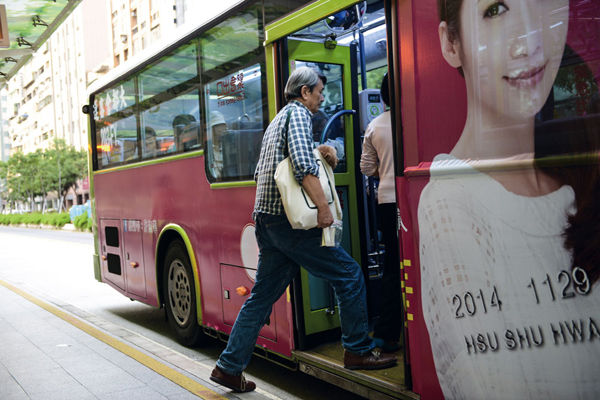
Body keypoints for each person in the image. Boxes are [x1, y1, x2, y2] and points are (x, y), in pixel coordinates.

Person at [418, 0, 600, 398]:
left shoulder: (579, 177)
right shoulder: (451, 207)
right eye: (497, 9)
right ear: (451, 43)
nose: (530, 42)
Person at [210, 66, 397, 393]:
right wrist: (324, 208)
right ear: (304, 92)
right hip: (288, 223)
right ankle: (357, 350)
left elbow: (271, 168)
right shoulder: (298, 115)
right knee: (350, 275)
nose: (322, 97)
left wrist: (319, 150)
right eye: (319, 92)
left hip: (267, 221)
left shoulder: (278, 120)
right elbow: (300, 166)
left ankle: (228, 366)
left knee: (261, 298)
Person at [359, 72, 401, 353]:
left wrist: (384, 171)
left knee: (392, 266)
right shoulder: (413, 118)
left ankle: (386, 334)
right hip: (415, 199)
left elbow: (365, 168)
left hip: (387, 201)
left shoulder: (375, 126)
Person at [206, 111, 227, 179]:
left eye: (223, 126)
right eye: (218, 126)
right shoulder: (208, 150)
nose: (222, 129)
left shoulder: (228, 146)